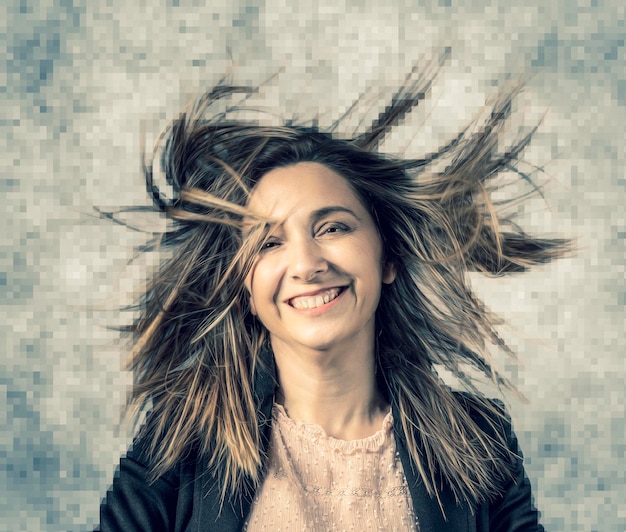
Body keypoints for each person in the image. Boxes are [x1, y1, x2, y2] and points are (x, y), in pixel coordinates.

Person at [98, 69, 568, 531]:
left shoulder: (478, 439)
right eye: (268, 243)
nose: (306, 264)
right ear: (245, 288)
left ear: (387, 258)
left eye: (333, 227)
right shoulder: (176, 443)